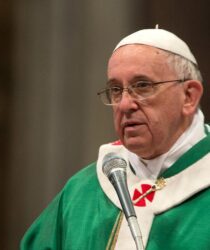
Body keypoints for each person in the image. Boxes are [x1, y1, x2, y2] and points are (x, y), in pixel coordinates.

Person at [20, 28, 210, 250]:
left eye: (142, 86)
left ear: (189, 96)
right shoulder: (83, 191)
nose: (124, 104)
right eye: (116, 89)